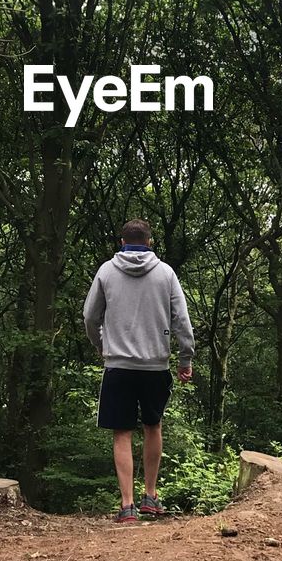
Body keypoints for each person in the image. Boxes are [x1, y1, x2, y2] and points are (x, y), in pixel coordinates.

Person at [82, 218, 195, 524]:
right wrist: (185, 359)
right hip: (156, 365)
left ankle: (127, 505)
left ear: (122, 243)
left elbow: (90, 317)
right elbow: (182, 320)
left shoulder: (106, 271)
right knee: (152, 426)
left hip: (118, 365)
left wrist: (101, 344)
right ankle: (151, 496)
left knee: (122, 432)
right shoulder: (165, 273)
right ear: (150, 243)